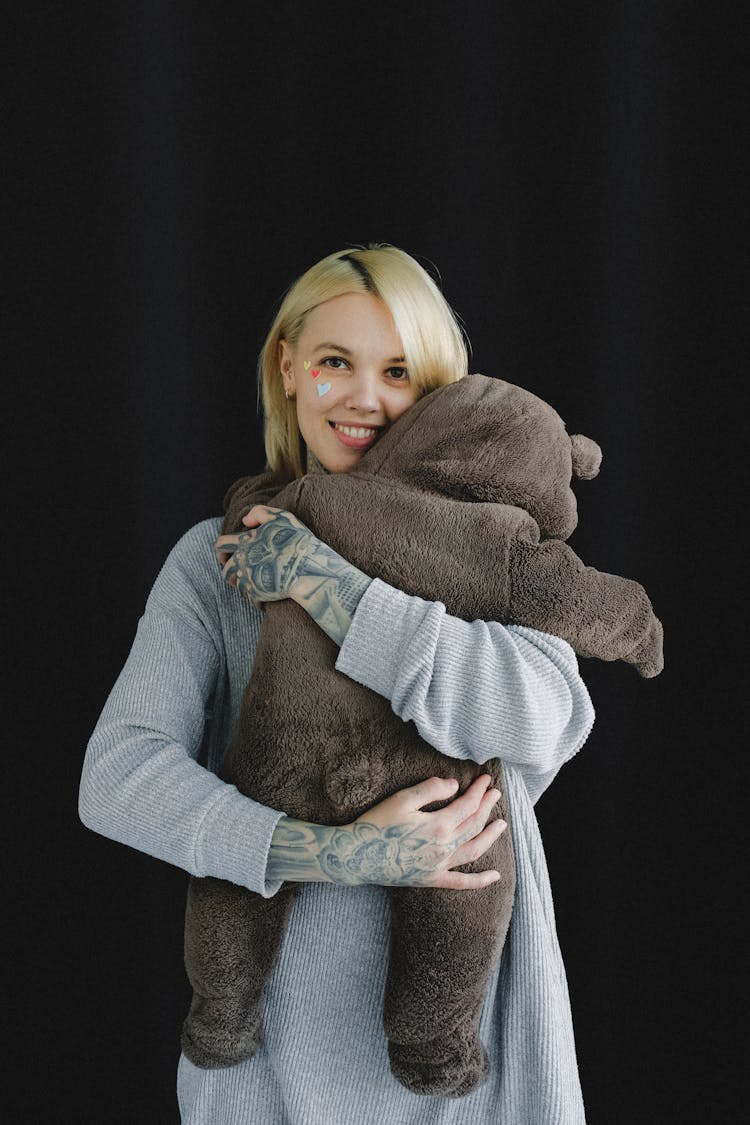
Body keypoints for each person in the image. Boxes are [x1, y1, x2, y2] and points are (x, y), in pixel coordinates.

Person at [79, 244, 596, 1124]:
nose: (365, 397)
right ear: (287, 369)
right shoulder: (218, 562)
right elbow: (117, 778)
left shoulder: (493, 551)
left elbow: (548, 718)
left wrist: (330, 586)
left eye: (398, 371)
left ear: (436, 388)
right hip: (271, 1065)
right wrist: (344, 852)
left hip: (477, 1070)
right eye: (334, 362)